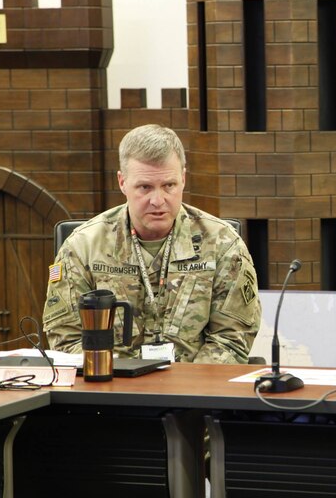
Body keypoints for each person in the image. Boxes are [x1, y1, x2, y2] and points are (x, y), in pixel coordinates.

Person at [43, 124, 261, 364]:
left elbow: (231, 340)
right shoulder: (83, 247)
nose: (158, 200)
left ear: (183, 179)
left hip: (193, 394)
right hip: (110, 390)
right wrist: (119, 381)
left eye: (169, 185)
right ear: (122, 182)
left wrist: (184, 388)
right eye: (145, 187)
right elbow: (66, 339)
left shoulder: (223, 244)